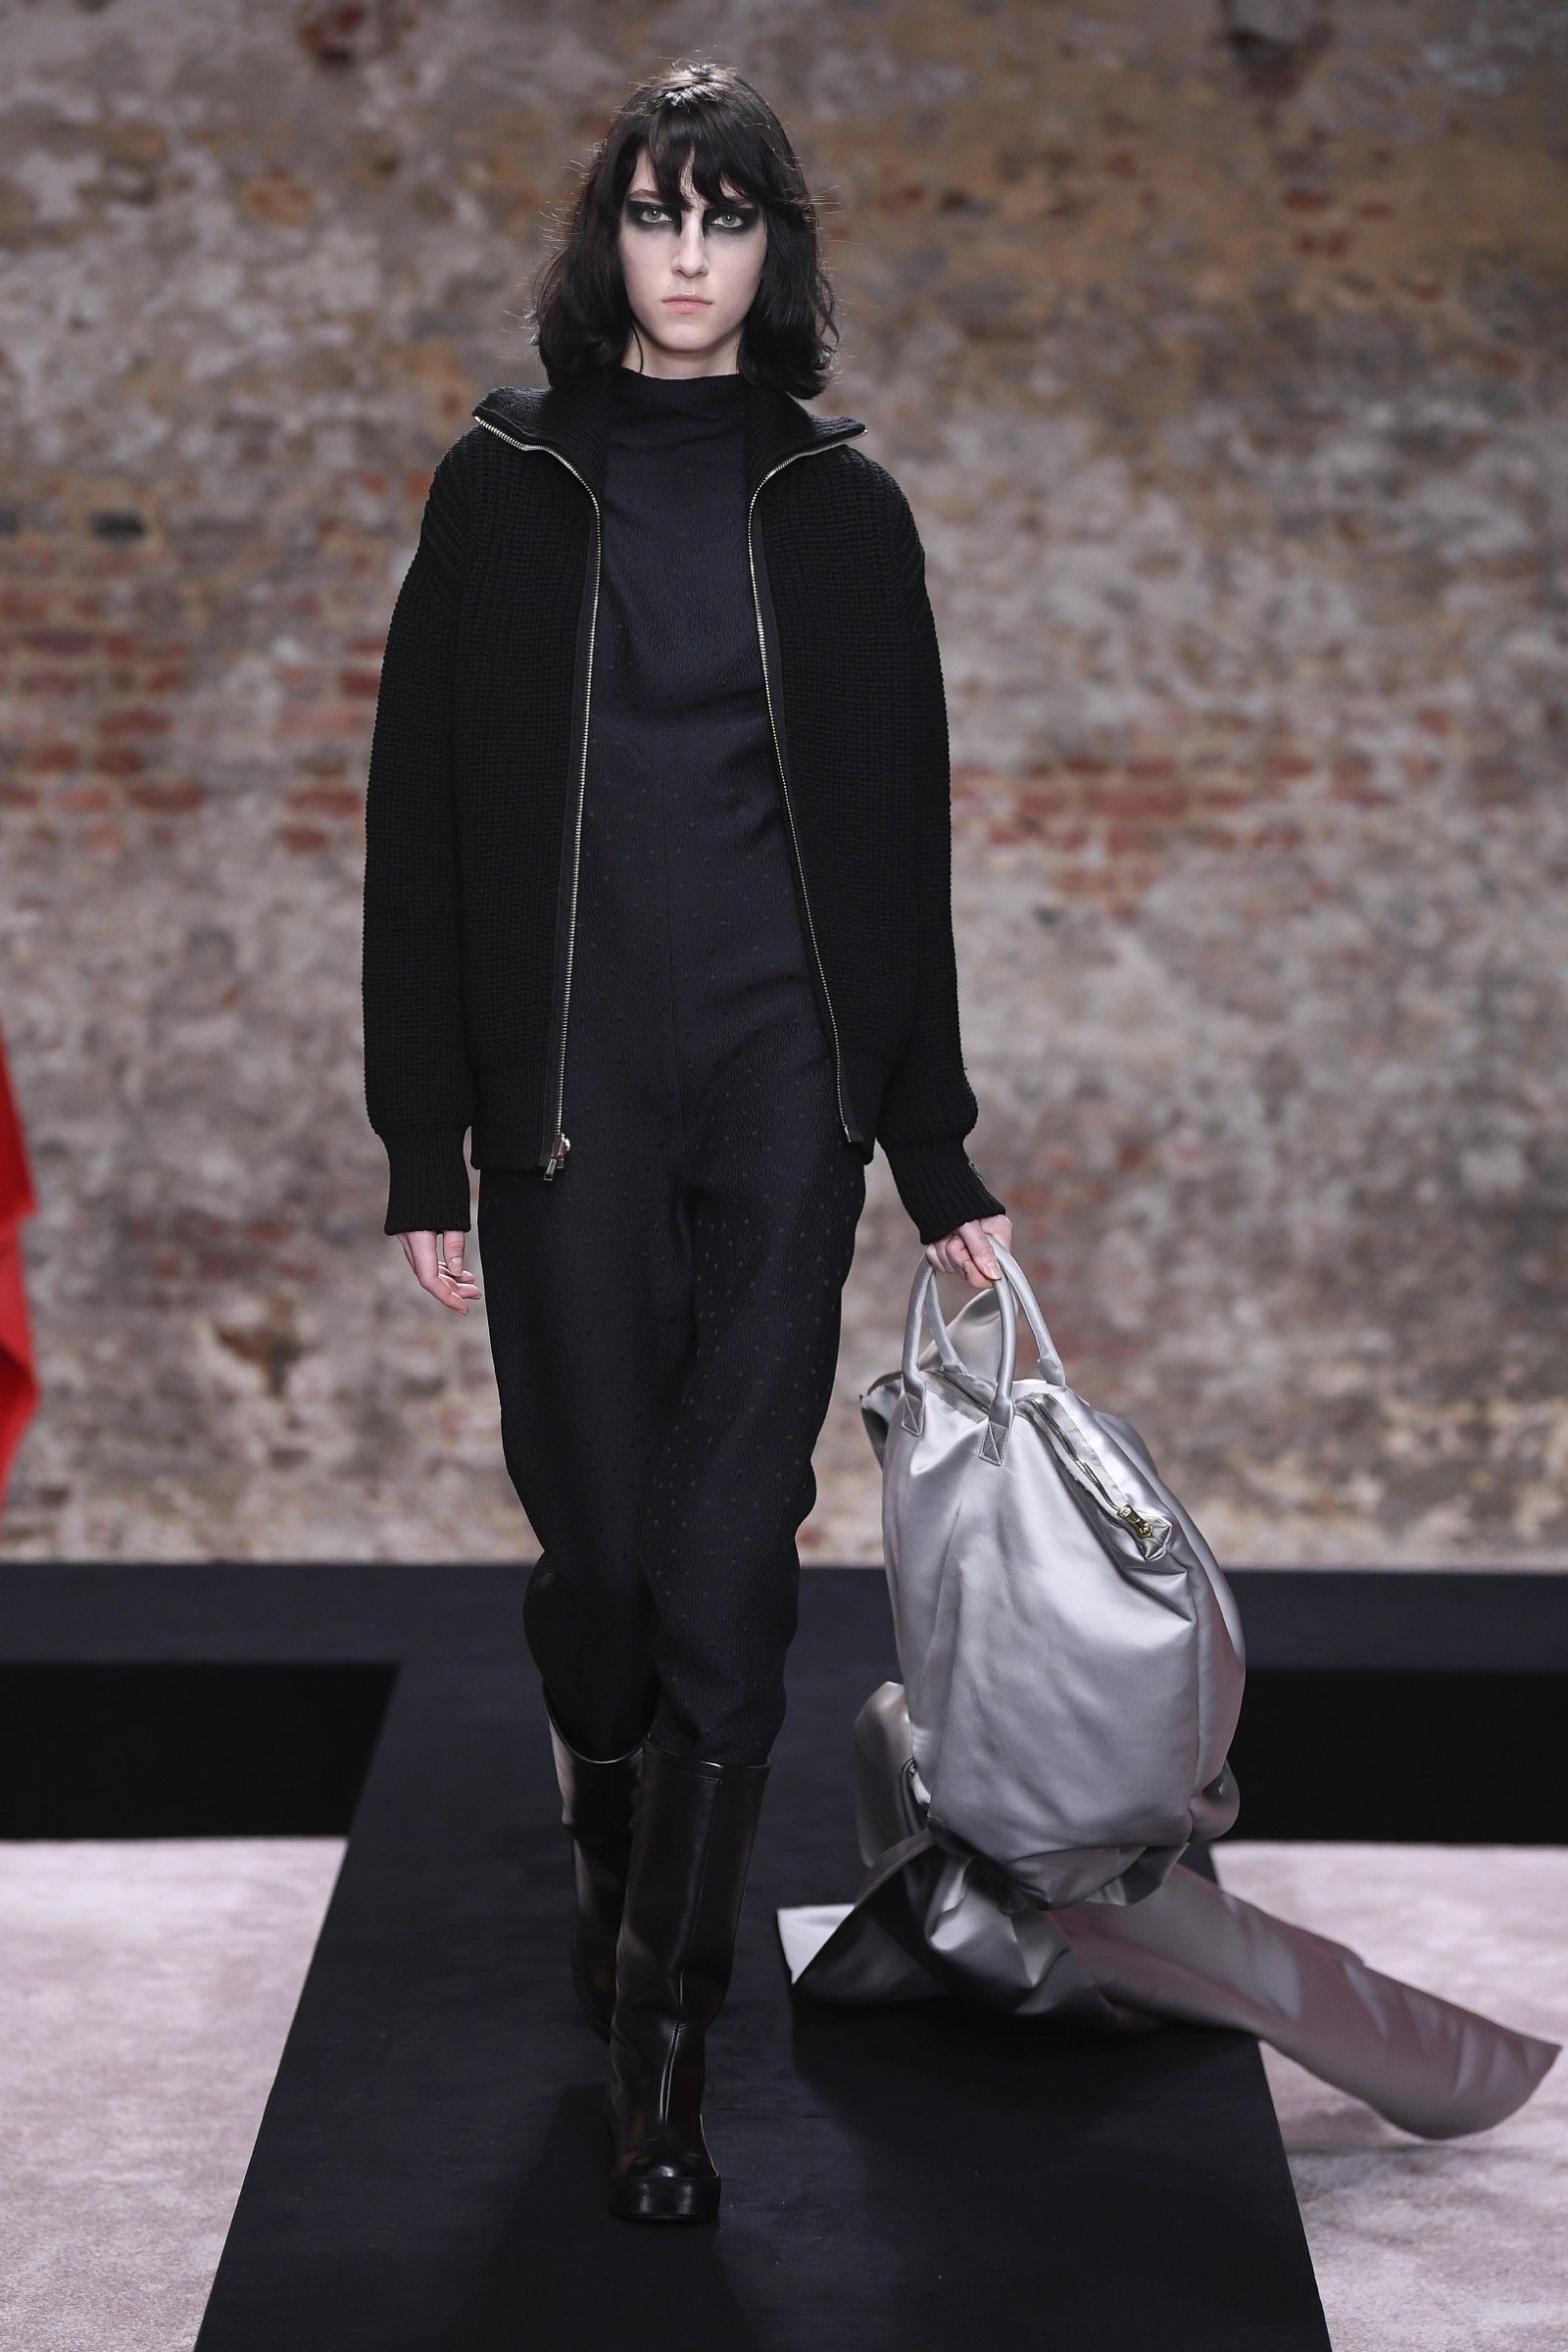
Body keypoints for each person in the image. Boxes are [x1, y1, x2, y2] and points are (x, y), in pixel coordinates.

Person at [361, 56, 1012, 2224]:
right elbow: (417, 833)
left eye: (727, 220)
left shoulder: (839, 511)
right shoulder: (501, 487)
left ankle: (666, 2047)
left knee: (730, 1554)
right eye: (656, 214)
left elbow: (901, 849)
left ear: (771, 254)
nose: (690, 256)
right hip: (562, 1099)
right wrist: (422, 1143)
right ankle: (611, 1835)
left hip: (775, 1084)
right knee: (599, 1561)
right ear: (608, 240)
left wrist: (931, 1152)